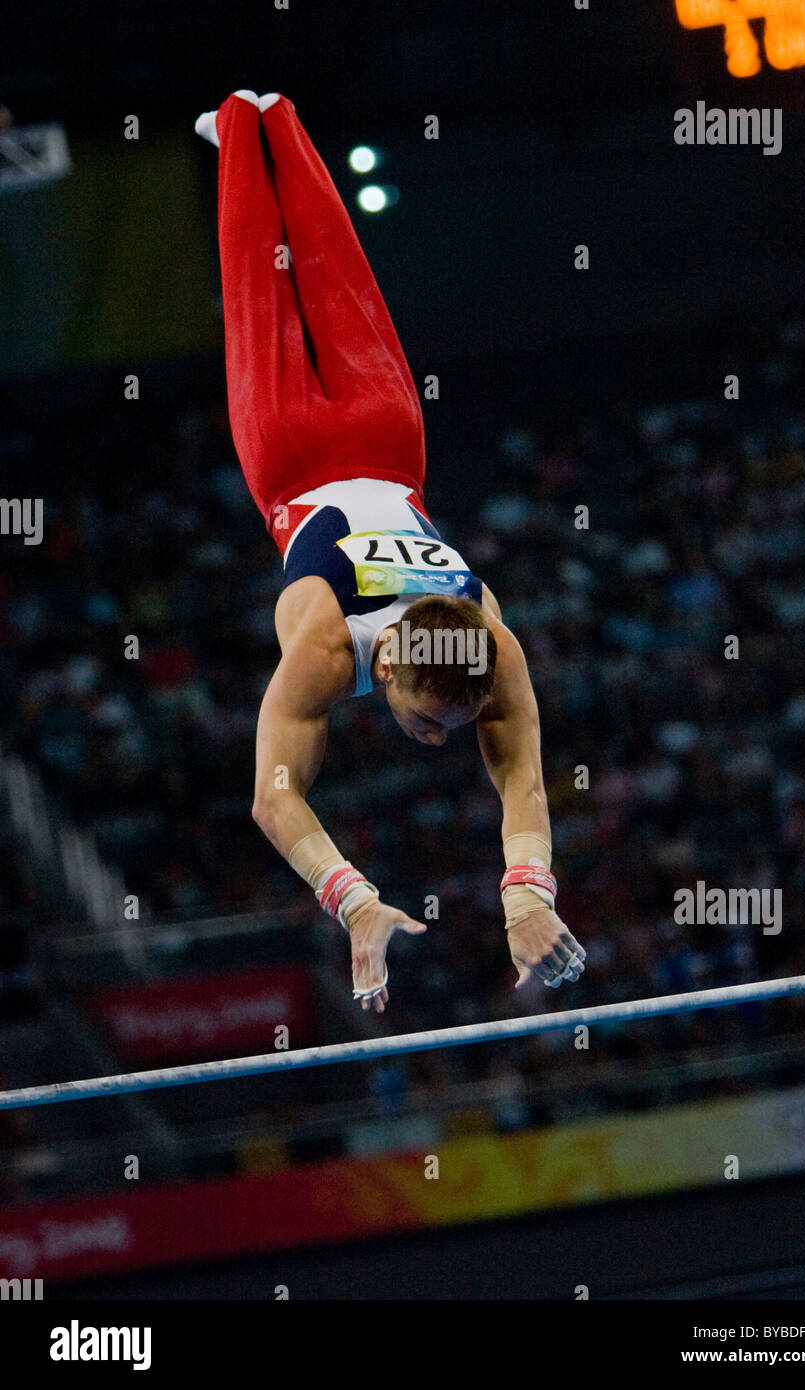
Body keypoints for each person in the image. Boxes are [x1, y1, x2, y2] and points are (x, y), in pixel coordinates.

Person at [196, 91, 586, 1011]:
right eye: (429, 719)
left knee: (338, 274)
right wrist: (356, 903)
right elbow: (272, 795)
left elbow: (520, 773)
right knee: (265, 287)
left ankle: (271, 120)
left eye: (446, 726)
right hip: (293, 454)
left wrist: (529, 896)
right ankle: (247, 130)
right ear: (394, 667)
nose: (436, 737)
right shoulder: (330, 648)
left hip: (389, 438)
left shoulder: (487, 646)